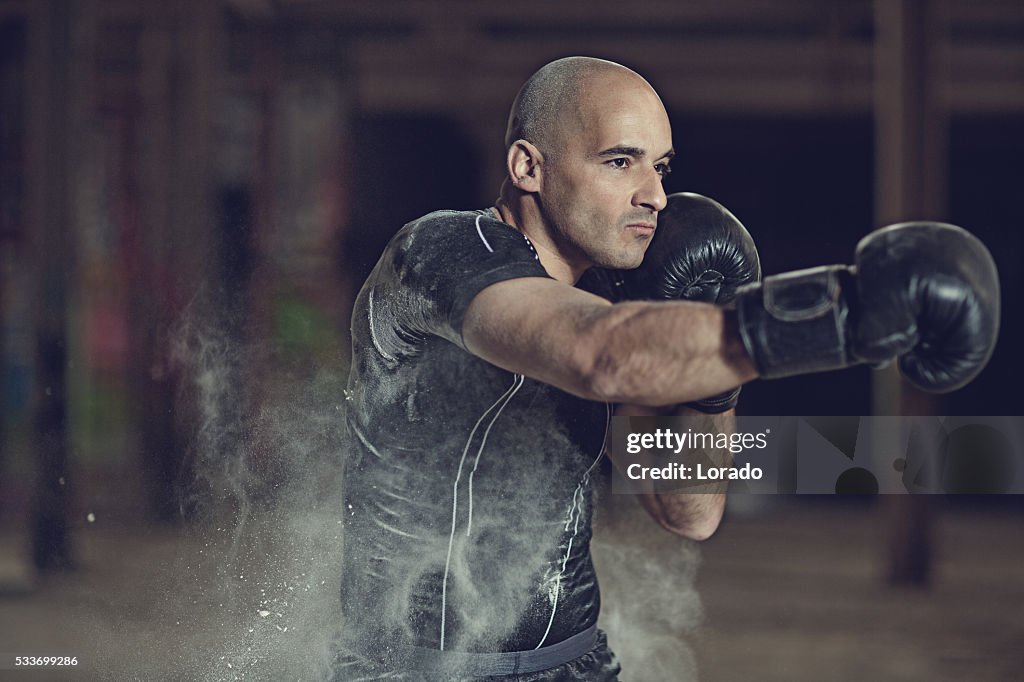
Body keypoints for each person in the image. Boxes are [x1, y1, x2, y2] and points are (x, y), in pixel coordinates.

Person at [333, 56, 998, 680]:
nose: (654, 194)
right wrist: (848, 313)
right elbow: (598, 357)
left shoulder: (620, 300)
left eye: (661, 167)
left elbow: (689, 509)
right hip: (414, 667)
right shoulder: (442, 250)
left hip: (574, 660)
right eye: (620, 161)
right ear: (528, 166)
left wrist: (708, 375)